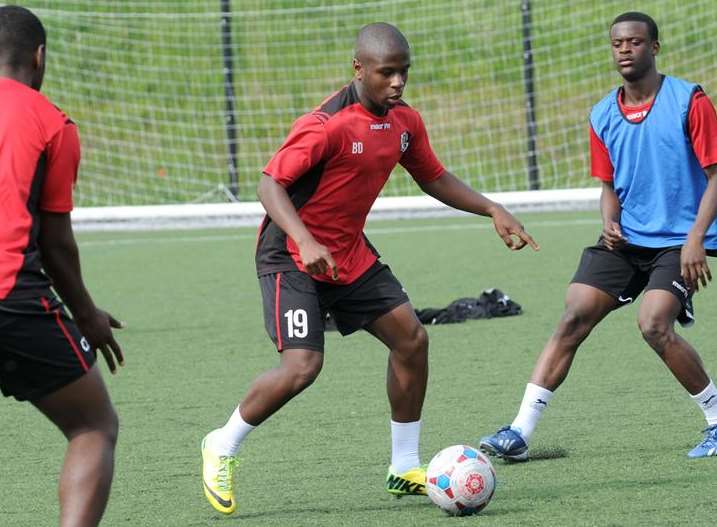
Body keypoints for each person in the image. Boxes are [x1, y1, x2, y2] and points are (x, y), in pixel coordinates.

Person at [201, 22, 539, 514]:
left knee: (412, 339)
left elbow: (434, 176)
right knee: (302, 367)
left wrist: (492, 208)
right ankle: (221, 444)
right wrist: (305, 238)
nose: (398, 82)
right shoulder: (326, 125)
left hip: (348, 254)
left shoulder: (405, 122)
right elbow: (269, 185)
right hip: (290, 257)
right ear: (359, 68)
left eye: (404, 71)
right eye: (387, 72)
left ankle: (404, 466)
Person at [480, 11, 717, 462]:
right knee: (573, 316)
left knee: (653, 323)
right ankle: (519, 431)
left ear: (654, 47)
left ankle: (716, 420)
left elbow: (715, 175)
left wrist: (695, 240)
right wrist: (609, 220)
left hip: (676, 242)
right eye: (617, 44)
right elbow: (609, 187)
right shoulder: (603, 113)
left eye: (635, 42)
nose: (625, 49)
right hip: (625, 242)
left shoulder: (690, 101)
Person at [0, 6, 125, 526]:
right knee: (93, 424)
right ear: (40, 57)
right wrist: (88, 316)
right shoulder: (51, 123)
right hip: (12, 300)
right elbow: (57, 246)